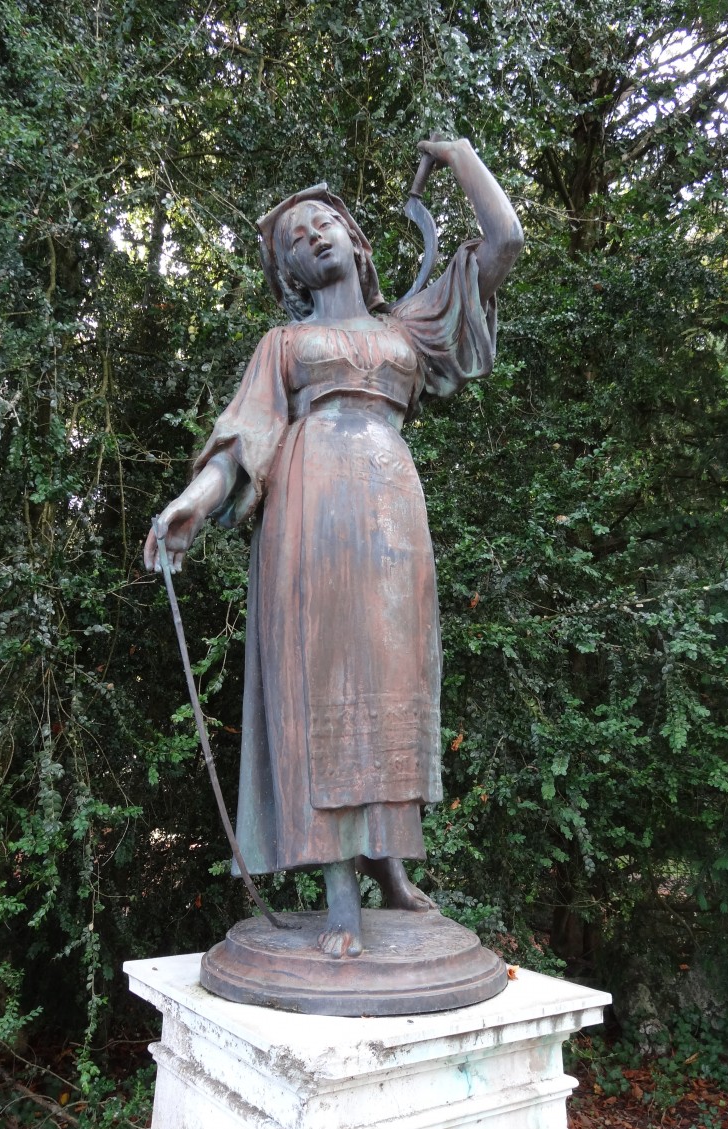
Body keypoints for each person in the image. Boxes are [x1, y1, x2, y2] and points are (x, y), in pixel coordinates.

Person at [145, 138, 523, 959]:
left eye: (322, 223)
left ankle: (389, 867)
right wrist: (191, 505)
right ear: (289, 273)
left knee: (392, 679)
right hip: (308, 512)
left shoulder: (409, 327)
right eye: (294, 239)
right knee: (318, 686)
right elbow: (243, 440)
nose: (312, 236)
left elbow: (505, 243)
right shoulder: (282, 346)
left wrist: (460, 157)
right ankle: (339, 890)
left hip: (390, 517)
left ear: (355, 239)